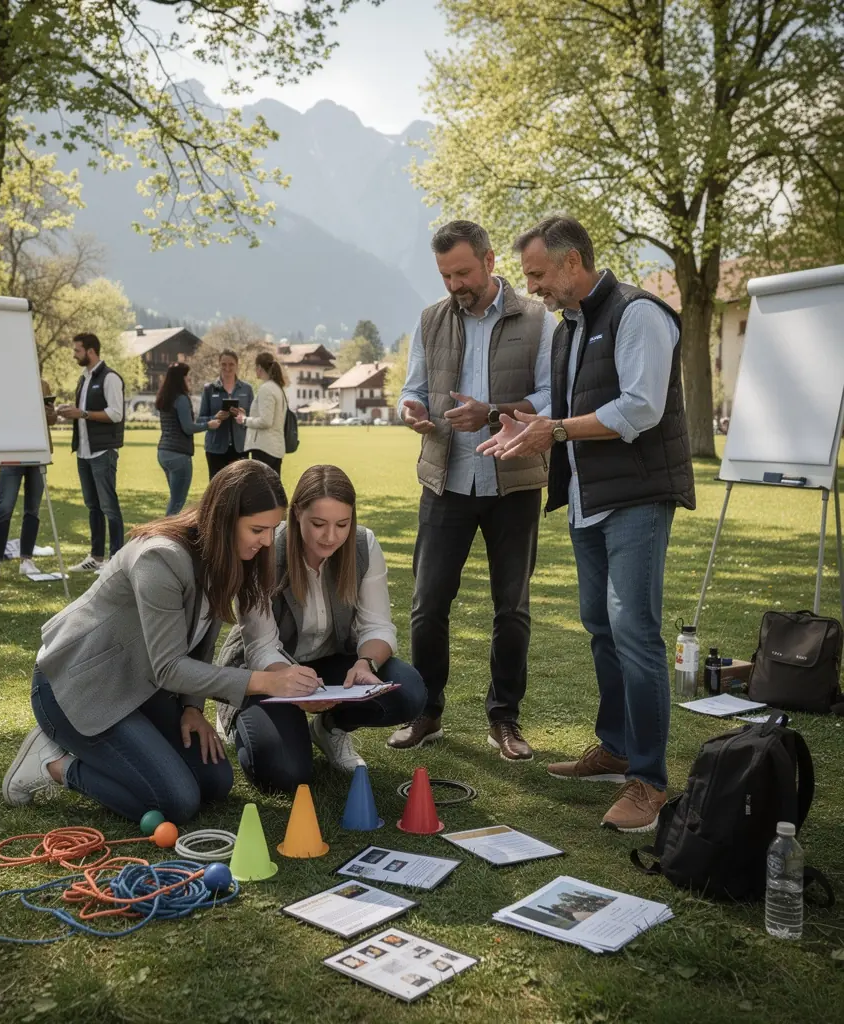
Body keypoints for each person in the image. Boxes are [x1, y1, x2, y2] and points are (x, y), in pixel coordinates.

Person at [479, 214, 695, 832]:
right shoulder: (567, 328)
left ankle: (648, 781)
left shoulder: (639, 314)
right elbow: (561, 402)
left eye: (539, 275)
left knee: (635, 631)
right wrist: (511, 417)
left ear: (573, 263)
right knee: (602, 625)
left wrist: (555, 430)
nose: (535, 287)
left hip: (635, 500)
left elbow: (641, 406)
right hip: (587, 500)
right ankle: (616, 746)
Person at [1, 460, 321, 823]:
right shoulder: (160, 558)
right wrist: (266, 681)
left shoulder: (225, 554)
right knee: (177, 802)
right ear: (223, 519)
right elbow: (169, 667)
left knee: (215, 781)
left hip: (139, 686)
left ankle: (105, 750)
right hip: (77, 688)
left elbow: (200, 640)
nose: (267, 542)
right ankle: (52, 764)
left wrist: (191, 708)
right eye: (258, 529)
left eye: (272, 529)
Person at [389, 220, 553, 761]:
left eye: (462, 272)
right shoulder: (431, 319)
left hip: (514, 481)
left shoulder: (536, 317)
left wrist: (496, 414)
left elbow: (554, 397)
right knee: (427, 602)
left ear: (487, 259)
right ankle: (426, 712)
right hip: (446, 479)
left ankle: (504, 719)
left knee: (512, 608)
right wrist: (409, 410)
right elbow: (412, 390)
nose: (455, 284)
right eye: (445, 275)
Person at [218, 465, 426, 791]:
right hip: (265, 671)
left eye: (342, 524)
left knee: (408, 691)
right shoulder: (266, 550)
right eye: (318, 524)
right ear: (297, 513)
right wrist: (295, 684)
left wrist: (365, 663)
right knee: (284, 774)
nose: (331, 537)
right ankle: (235, 720)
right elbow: (260, 647)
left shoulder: (363, 545)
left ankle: (329, 727)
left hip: (329, 662)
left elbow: (378, 626)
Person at [56, 333, 126, 572]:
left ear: (91, 351)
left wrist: (82, 413)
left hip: (102, 452)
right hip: (84, 453)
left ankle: (115, 559)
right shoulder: (83, 378)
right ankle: (96, 557)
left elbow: (116, 414)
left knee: (109, 506)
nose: (74, 354)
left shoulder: (110, 378)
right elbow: (82, 412)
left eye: (77, 350)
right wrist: (68, 411)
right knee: (92, 506)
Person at [0, 380, 58, 580]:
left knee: (32, 509)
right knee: (5, 508)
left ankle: (26, 560)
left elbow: (52, 420)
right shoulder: (6, 385)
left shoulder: (43, 385)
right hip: (12, 453)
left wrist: (50, 412)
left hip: (38, 452)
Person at [156, 362, 208, 516]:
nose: (189, 380)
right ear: (181, 379)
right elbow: (188, 427)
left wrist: (210, 420)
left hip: (164, 452)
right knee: (177, 504)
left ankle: (167, 533)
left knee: (175, 499)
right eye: (187, 376)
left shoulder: (165, 398)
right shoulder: (182, 399)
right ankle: (164, 535)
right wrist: (209, 425)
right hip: (179, 454)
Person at [197, 349, 254, 480]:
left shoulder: (247, 389)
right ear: (219, 365)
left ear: (237, 365)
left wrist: (244, 415)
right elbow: (200, 419)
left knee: (240, 486)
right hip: (215, 448)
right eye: (223, 364)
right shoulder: (209, 389)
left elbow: (253, 419)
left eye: (231, 364)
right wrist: (215, 417)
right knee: (217, 487)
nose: (227, 368)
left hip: (240, 447)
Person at [235, 351, 288, 476]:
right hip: (275, 448)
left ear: (259, 367)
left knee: (261, 491)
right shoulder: (278, 388)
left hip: (264, 448)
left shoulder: (266, 388)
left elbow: (266, 421)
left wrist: (244, 420)